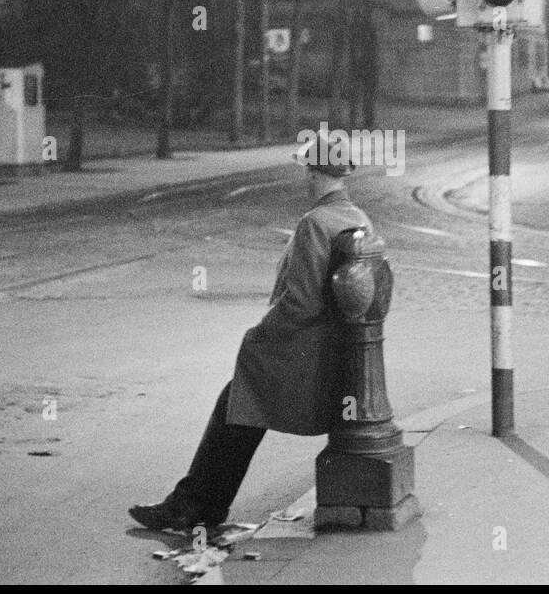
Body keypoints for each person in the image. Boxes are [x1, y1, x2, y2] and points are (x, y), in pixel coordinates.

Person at [129, 128, 371, 533]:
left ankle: (191, 505)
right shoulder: (358, 218)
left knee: (238, 400)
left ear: (313, 174)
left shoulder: (316, 222)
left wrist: (258, 334)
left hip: (303, 357)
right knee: (238, 407)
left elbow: (302, 302)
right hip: (331, 355)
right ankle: (198, 506)